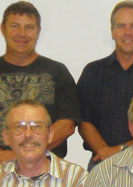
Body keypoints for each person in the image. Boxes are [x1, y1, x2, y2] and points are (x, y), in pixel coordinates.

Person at [77, 0, 133, 171]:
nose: (127, 33)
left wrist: (119, 151)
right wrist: (104, 152)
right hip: (100, 164)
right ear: (112, 32)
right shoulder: (93, 72)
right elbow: (83, 120)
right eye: (121, 26)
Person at [0, 1, 80, 162]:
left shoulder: (57, 72)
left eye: (29, 27)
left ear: (38, 31)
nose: (22, 34)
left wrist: (24, 154)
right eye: (15, 26)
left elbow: (67, 124)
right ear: (3, 29)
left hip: (47, 168)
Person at [0, 99, 87, 187]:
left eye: (37, 126)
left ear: (50, 135)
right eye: (19, 127)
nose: (28, 134)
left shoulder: (77, 180)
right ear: (6, 136)